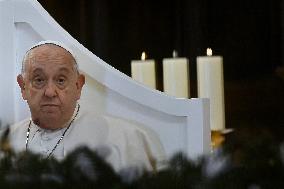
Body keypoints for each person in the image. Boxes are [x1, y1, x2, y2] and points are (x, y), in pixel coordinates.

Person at [9, 40, 166, 173]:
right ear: (23, 87)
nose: (50, 92)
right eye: (39, 80)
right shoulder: (5, 144)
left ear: (78, 86)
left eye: (61, 80)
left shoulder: (125, 140)